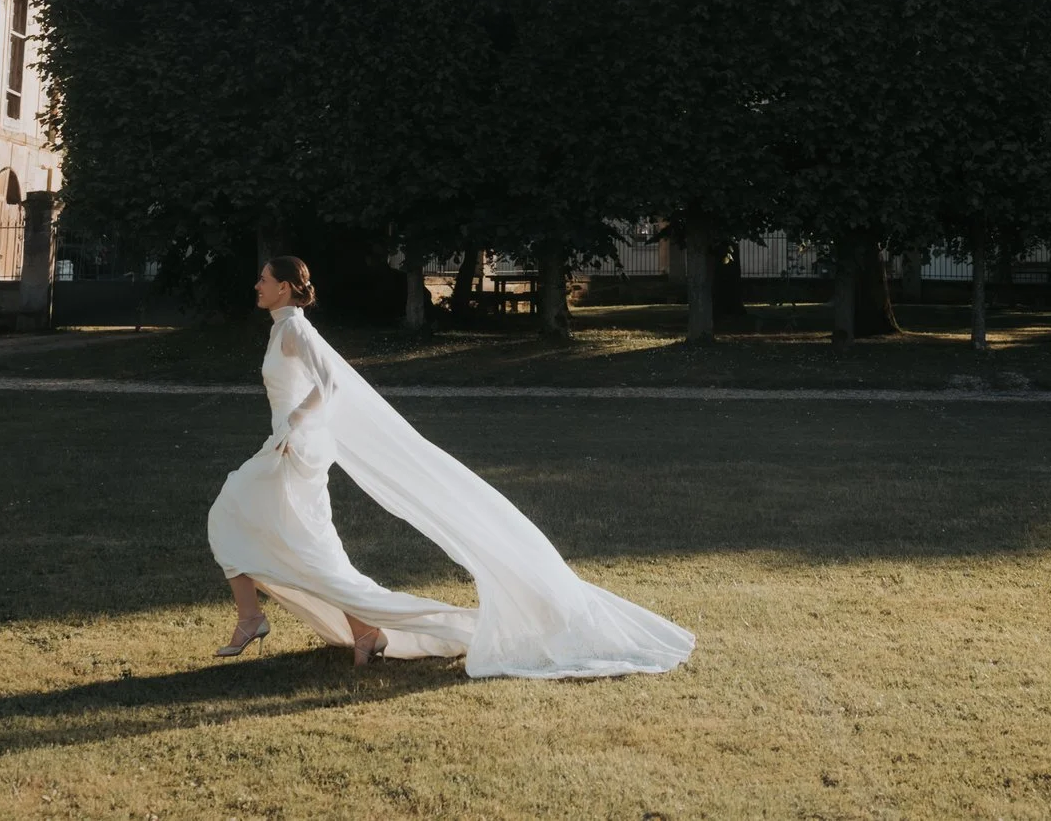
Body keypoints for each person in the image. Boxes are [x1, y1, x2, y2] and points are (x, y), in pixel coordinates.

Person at [207, 255, 694, 678]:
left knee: (232, 510)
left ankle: (258, 618)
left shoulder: (294, 328)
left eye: (264, 279)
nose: (257, 285)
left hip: (294, 450)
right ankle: (362, 629)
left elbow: (330, 383)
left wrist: (295, 423)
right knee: (304, 548)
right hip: (290, 446)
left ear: (286, 287)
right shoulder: (283, 329)